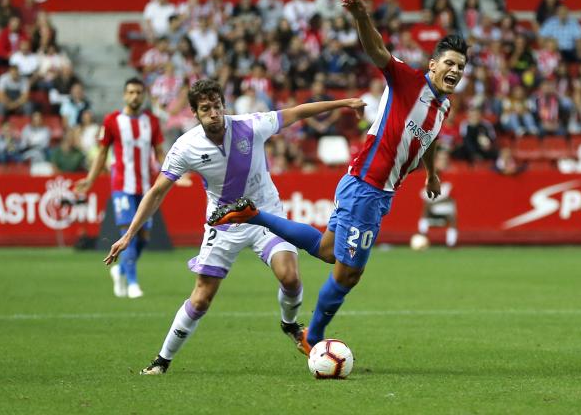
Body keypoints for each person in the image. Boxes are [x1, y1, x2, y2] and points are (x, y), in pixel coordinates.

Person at [208, 0, 468, 356]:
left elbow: (430, 139)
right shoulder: (409, 82)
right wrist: (362, 15)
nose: (456, 70)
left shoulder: (443, 105)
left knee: (329, 250)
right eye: (450, 63)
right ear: (433, 64)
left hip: (377, 191)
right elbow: (377, 50)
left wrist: (431, 174)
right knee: (348, 274)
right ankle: (312, 338)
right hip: (367, 186)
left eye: (461, 66)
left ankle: (253, 215)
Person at [102, 79, 365, 375]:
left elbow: (296, 112)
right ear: (195, 113)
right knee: (201, 297)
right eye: (205, 109)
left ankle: (290, 324)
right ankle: (161, 361)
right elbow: (157, 191)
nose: (213, 113)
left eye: (216, 106)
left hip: (265, 214)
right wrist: (128, 235)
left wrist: (343, 103)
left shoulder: (251, 125)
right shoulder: (185, 147)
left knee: (290, 278)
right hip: (223, 223)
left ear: (223, 105)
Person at [75, 78, 165, 299]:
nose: (135, 96)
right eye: (131, 92)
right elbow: (102, 153)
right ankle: (133, 283)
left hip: (145, 187)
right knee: (128, 233)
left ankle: (121, 270)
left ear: (143, 95)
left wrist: (174, 173)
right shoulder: (112, 120)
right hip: (121, 185)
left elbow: (161, 152)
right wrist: (89, 179)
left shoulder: (151, 121)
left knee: (144, 235)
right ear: (125, 95)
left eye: (139, 92)